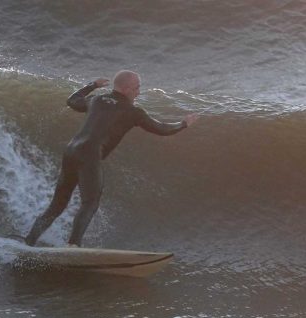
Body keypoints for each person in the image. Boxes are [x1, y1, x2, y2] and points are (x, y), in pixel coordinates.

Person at [25, 70, 198, 247]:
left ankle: (29, 242)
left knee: (57, 204)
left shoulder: (97, 100)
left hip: (71, 151)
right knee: (90, 203)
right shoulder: (133, 112)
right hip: (90, 155)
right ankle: (73, 246)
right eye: (137, 88)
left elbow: (72, 101)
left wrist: (93, 85)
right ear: (126, 89)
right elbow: (161, 129)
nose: (138, 92)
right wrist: (183, 124)